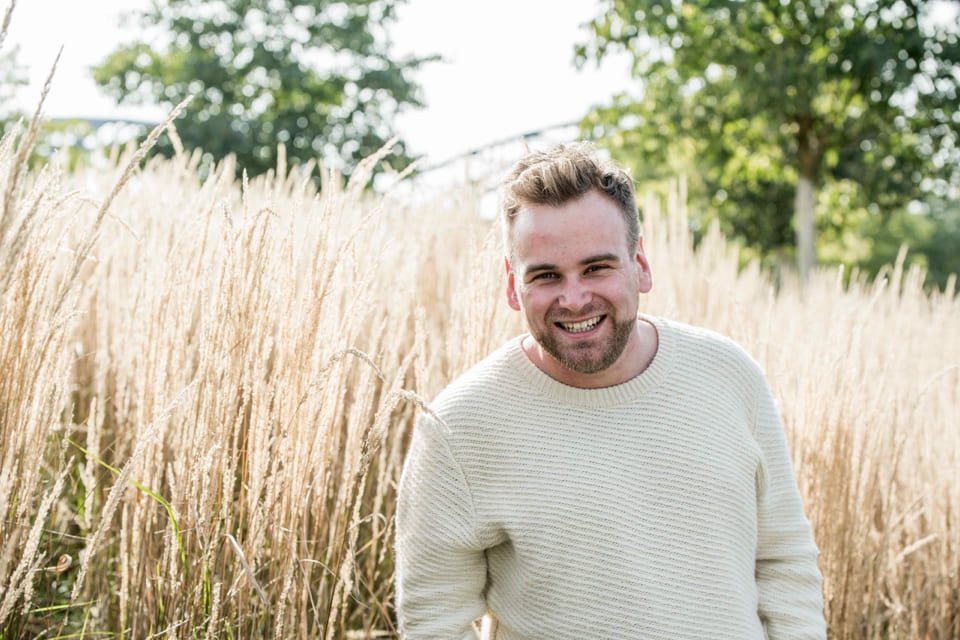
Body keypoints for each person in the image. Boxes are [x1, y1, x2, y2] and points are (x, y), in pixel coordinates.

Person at [394, 142, 826, 639]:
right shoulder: (460, 426)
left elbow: (783, 563)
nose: (574, 299)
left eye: (596, 267)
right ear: (513, 285)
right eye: (546, 275)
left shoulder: (729, 376)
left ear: (639, 264)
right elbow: (434, 622)